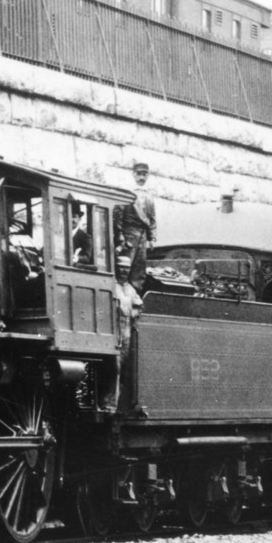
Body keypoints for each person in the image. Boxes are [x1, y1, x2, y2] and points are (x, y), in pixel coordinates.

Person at [114, 162, 158, 293]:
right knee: (124, 265)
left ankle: (135, 295)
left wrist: (152, 237)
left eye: (144, 174)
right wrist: (120, 234)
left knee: (139, 268)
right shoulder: (127, 191)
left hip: (142, 235)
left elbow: (152, 217)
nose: (141, 177)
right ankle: (121, 295)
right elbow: (118, 213)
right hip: (129, 232)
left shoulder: (149, 194)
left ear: (148, 175)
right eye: (139, 174)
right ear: (133, 174)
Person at [112, 255, 143, 412]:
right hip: (115, 332)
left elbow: (139, 306)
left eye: (126, 268)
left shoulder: (131, 290)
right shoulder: (111, 285)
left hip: (127, 334)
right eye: (121, 268)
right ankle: (112, 403)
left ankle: (120, 404)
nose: (123, 271)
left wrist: (133, 312)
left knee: (125, 369)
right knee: (115, 368)